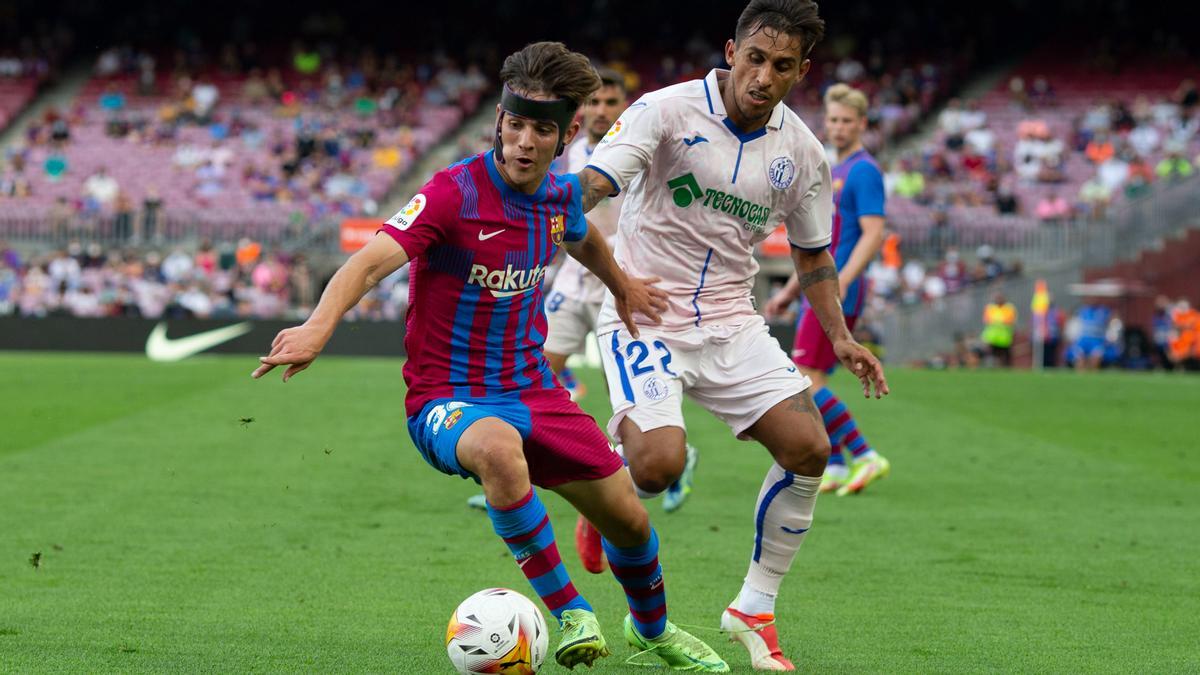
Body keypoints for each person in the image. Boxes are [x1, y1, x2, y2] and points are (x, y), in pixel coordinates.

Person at [252, 42, 728, 672]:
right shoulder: (453, 195)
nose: (525, 141)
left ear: (568, 135)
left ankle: (653, 632)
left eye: (541, 129)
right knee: (500, 449)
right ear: (499, 122)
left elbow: (585, 240)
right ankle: (571, 613)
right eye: (515, 125)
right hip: (447, 400)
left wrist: (624, 287)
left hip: (535, 392)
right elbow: (370, 261)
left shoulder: (559, 198)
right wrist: (318, 325)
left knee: (632, 524)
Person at [573, 2, 888, 669]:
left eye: (782, 65)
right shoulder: (664, 110)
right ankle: (609, 473)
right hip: (642, 311)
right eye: (754, 58)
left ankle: (755, 605)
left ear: (801, 71)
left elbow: (812, 256)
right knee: (656, 468)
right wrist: (549, 213)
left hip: (731, 319)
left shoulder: (802, 151)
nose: (764, 76)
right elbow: (596, 184)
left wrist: (840, 336)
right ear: (731, 51)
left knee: (810, 447)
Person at [763, 83, 890, 497]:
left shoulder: (863, 170)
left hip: (838, 288)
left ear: (861, 124)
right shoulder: (833, 169)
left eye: (846, 121)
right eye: (832, 120)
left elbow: (873, 234)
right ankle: (834, 465)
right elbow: (819, 247)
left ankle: (864, 453)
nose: (837, 127)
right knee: (810, 375)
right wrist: (788, 294)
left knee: (804, 377)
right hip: (824, 286)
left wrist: (845, 280)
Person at [981, 292, 1017, 367]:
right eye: (997, 298)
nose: (999, 300)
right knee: (991, 355)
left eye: (1000, 298)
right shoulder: (990, 307)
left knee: (1005, 356)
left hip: (1005, 338)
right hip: (992, 337)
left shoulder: (1009, 308)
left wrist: (998, 321)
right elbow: (986, 319)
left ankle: (1006, 368)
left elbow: (1011, 320)